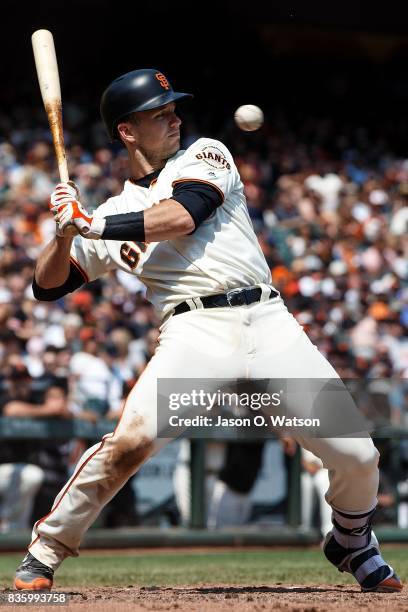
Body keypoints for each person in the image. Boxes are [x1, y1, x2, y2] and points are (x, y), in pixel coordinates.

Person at [14, 68, 401, 593]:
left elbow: (184, 214)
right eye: (160, 113)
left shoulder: (206, 154)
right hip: (194, 331)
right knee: (131, 441)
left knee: (357, 454)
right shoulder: (110, 211)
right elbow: (47, 286)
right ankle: (45, 551)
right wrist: (62, 234)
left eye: (174, 108)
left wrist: (90, 225)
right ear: (127, 131)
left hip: (268, 322)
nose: (176, 118)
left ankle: (352, 538)